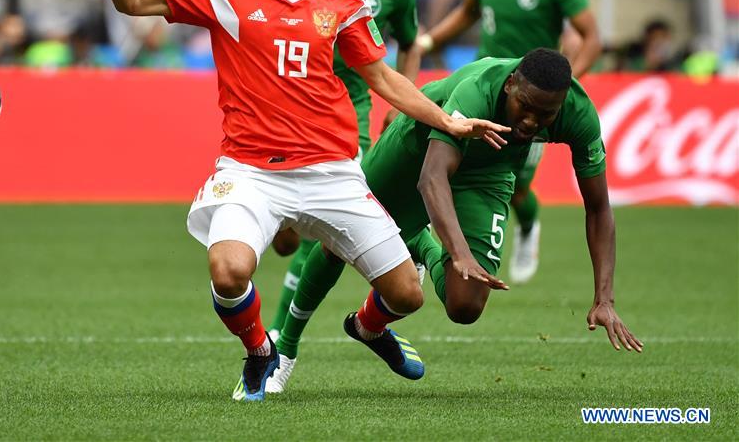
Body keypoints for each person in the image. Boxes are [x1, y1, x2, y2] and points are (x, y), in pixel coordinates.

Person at [64, 0, 508, 401]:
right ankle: (259, 351)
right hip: (250, 172)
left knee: (407, 293)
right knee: (229, 271)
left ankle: (367, 327)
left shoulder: (339, 1)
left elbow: (384, 79)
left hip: (333, 173)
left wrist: (449, 123)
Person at [267, 49, 643, 393]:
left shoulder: (578, 113)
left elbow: (598, 208)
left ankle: (373, 318)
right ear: (511, 84)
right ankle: (285, 350)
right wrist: (457, 252)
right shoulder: (476, 91)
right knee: (338, 241)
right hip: (417, 148)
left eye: (546, 115)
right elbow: (431, 178)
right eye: (525, 106)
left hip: (489, 172)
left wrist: (604, 298)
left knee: (465, 305)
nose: (532, 121)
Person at [412, 0, 602, 284]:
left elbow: (592, 37)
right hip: (485, 94)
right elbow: (468, 12)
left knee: (515, 189)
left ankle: (528, 226)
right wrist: (429, 41)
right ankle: (425, 240)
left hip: (530, 107)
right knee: (441, 167)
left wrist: (563, 89)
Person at [265, 0, 421, 345]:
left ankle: (280, 337)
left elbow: (411, 43)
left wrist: (404, 97)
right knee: (287, 237)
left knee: (326, 230)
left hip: (348, 116)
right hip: (284, 108)